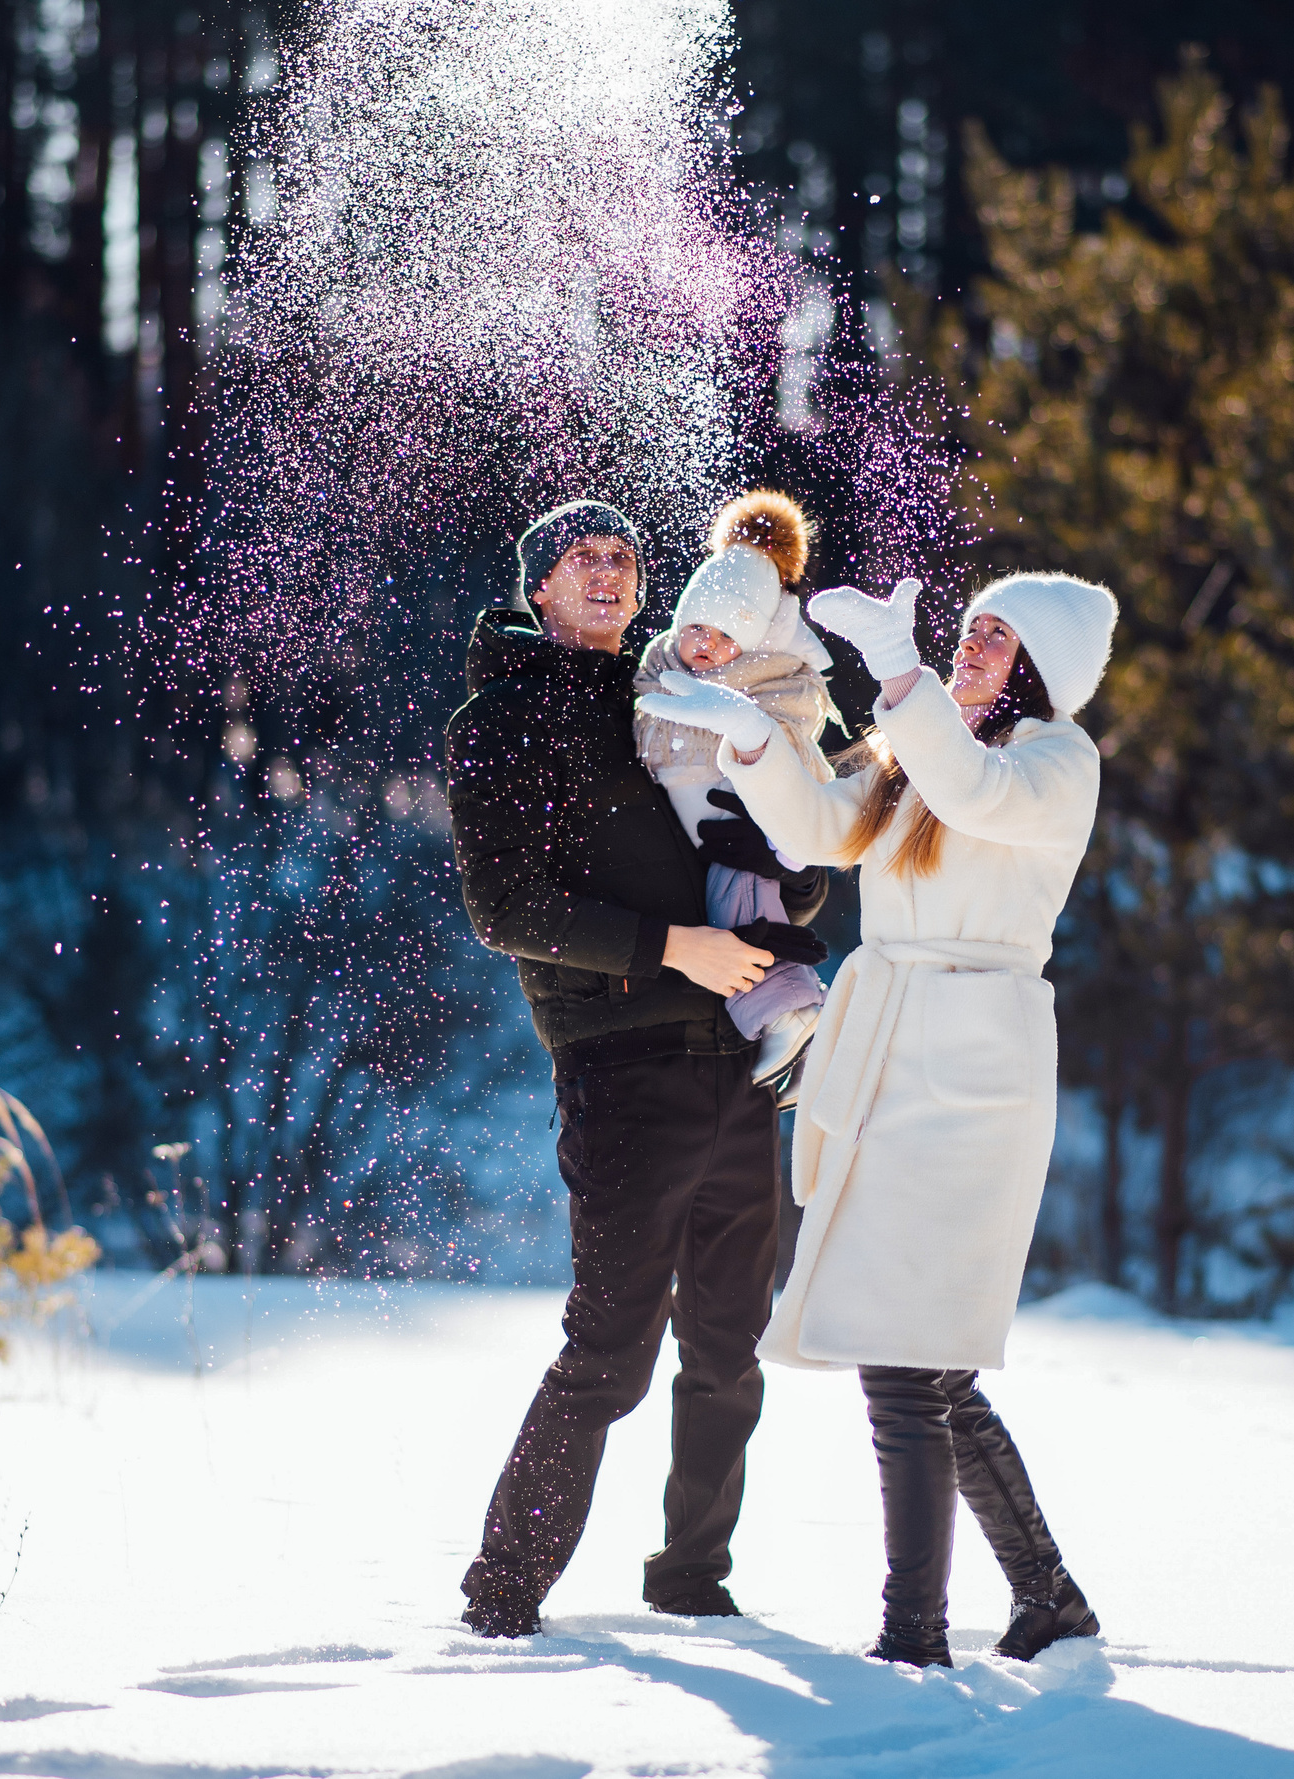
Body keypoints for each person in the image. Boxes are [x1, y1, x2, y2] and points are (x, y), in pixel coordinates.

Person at [638, 568, 1117, 1669]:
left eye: (998, 639)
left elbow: (975, 795)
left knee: (903, 1358)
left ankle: (913, 1639)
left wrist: (901, 675)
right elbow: (815, 827)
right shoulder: (918, 750)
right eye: (970, 632)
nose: (974, 647)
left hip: (971, 1070)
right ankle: (1048, 1599)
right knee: (926, 1359)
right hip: (894, 1053)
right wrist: (747, 737)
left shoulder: (1053, 763)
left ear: (1044, 668)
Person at [443, 497, 831, 1639]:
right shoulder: (501, 717)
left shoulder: (676, 692)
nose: (608, 571)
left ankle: (694, 1587)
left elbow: (763, 825)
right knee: (611, 1348)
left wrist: (796, 882)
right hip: (620, 1060)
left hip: (740, 1055)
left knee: (729, 1345)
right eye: (581, 556)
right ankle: (502, 1597)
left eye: (625, 556)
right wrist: (674, 949)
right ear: (540, 587)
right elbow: (501, 907)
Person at [630, 489, 842, 1090]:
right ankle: (804, 1036)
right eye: (697, 627)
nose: (708, 646)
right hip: (690, 815)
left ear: (749, 643)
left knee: (741, 912)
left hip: (741, 817)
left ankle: (792, 1015)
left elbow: (794, 729)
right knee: (734, 919)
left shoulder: (769, 675)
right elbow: (644, 698)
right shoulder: (659, 659)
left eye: (727, 638)